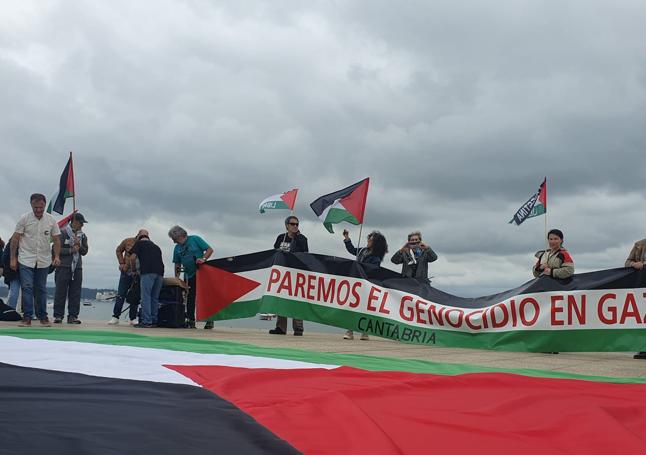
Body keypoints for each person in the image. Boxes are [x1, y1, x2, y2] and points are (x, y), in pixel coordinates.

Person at [10, 193, 61, 327]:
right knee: (27, 287)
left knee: (41, 289)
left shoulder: (51, 220)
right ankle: (27, 317)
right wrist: (13, 258)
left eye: (41, 207)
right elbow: (15, 239)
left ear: (44, 205)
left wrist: (57, 256)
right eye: (35, 207)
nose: (38, 210)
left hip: (43, 260)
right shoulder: (24, 219)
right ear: (31, 205)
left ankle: (43, 317)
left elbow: (56, 239)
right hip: (26, 259)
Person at [342, 229, 388, 341]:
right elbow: (352, 250)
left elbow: (372, 270)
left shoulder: (376, 257)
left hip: (367, 284)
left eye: (371, 239)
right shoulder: (362, 250)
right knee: (352, 306)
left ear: (376, 242)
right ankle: (350, 331)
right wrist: (347, 238)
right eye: (369, 238)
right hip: (357, 282)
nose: (368, 240)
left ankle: (364, 332)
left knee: (364, 308)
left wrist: (359, 267)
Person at [269, 215, 308, 336]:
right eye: (292, 224)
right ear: (287, 225)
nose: (295, 226)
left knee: (296, 299)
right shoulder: (281, 237)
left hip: (296, 273)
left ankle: (298, 327)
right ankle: (281, 327)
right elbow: (275, 251)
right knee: (281, 299)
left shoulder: (302, 239)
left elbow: (305, 254)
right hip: (282, 273)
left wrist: (296, 238)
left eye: (297, 224)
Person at [169, 225, 213, 329]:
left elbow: (209, 249)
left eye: (174, 239)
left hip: (201, 273)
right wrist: (177, 278)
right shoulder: (177, 248)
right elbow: (177, 264)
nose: (174, 242)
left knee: (205, 297)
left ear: (181, 236)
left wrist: (203, 259)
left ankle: (209, 320)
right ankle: (190, 320)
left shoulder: (195, 239)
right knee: (190, 298)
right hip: (188, 275)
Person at [53, 213, 89, 324]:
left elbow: (85, 251)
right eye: (81, 223)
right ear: (75, 221)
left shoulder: (82, 236)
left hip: (77, 267)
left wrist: (80, 246)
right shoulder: (62, 232)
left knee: (75, 292)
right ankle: (58, 315)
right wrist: (70, 250)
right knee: (60, 292)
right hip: (63, 266)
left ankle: (73, 316)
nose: (82, 225)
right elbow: (55, 249)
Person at [129, 230, 164, 328]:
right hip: (160, 273)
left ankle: (147, 321)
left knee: (146, 297)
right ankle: (154, 320)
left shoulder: (139, 244)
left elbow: (132, 258)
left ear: (139, 237)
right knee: (154, 297)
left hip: (147, 271)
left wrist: (134, 270)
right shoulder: (156, 247)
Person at [108, 232, 141, 325]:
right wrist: (121, 263)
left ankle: (133, 318)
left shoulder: (145, 244)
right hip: (126, 272)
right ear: (137, 235)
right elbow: (118, 250)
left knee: (135, 296)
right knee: (121, 294)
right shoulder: (127, 241)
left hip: (138, 274)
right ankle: (115, 316)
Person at [625, 238, 646, 359]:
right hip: (642, 288)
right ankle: (643, 348)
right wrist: (634, 264)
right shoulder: (639, 245)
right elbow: (627, 262)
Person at [1, 235, 20, 309]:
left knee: (13, 292)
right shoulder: (26, 244)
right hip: (24, 270)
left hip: (12, 271)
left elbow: (4, 258)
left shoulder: (9, 245)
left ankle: (11, 309)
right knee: (28, 292)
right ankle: (31, 313)